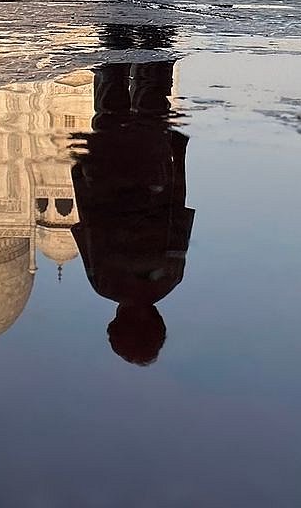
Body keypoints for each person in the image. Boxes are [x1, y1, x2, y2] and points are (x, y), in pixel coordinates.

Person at [71, 51, 193, 368]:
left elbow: (177, 211)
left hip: (153, 177)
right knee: (110, 112)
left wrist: (178, 156)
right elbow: (88, 223)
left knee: (152, 110)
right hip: (106, 178)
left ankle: (155, 50)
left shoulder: (169, 279)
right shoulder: (105, 284)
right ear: (116, 323)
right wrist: (78, 173)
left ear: (158, 320)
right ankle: (116, 46)